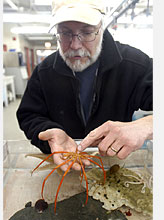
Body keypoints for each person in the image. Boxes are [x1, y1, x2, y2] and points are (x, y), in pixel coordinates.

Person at [16, 0, 153, 172]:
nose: (75, 45)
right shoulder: (44, 71)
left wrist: (147, 125)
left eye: (87, 32)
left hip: (114, 165)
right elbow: (29, 114)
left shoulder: (135, 64)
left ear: (101, 28)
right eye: (65, 33)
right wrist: (48, 131)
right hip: (63, 164)